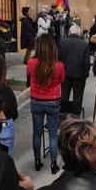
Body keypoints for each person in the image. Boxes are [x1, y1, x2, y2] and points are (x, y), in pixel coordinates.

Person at [27, 35, 65, 174]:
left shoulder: (31, 62)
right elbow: (62, 79)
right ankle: (54, 163)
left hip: (36, 99)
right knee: (53, 133)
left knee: (37, 133)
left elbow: (29, 75)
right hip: (53, 100)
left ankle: (37, 160)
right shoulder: (58, 65)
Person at [58, 24, 91, 118]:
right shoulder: (84, 44)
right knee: (78, 96)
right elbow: (86, 62)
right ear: (79, 33)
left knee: (64, 94)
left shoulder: (62, 42)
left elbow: (58, 59)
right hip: (79, 75)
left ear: (70, 32)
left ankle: (63, 114)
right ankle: (75, 114)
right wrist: (86, 74)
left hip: (65, 74)